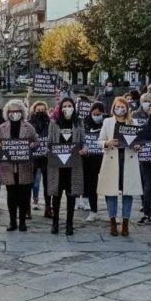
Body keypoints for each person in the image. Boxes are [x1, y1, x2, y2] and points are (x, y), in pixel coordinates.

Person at [97, 96, 142, 236]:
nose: (120, 109)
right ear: (113, 108)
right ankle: (112, 221)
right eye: (117, 107)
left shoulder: (133, 121)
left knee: (127, 193)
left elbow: (139, 141)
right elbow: (100, 140)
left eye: (123, 107)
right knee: (112, 192)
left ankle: (125, 223)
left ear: (127, 108)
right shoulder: (108, 122)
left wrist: (137, 145)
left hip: (128, 160)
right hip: (112, 159)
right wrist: (107, 143)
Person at [0, 100, 39, 232]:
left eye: (17, 111)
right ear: (7, 113)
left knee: (24, 195)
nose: (14, 114)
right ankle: (12, 221)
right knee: (11, 194)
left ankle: (22, 221)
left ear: (22, 112)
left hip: (25, 165)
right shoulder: (2, 128)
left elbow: (36, 141)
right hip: (8, 166)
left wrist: (32, 145)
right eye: (12, 112)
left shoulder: (28, 127)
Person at [47, 97, 85, 236]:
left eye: (70, 105)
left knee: (71, 195)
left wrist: (84, 149)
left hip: (73, 165)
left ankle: (69, 224)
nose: (67, 108)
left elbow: (83, 142)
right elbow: (49, 143)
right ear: (61, 108)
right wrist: (50, 151)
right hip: (58, 166)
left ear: (74, 107)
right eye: (65, 106)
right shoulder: (54, 123)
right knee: (56, 195)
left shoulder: (79, 123)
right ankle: (55, 223)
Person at [81, 102, 106, 222]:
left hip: (105, 157)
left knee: (108, 185)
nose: (96, 116)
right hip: (90, 159)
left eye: (99, 114)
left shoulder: (108, 122)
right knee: (91, 185)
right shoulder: (84, 124)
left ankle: (112, 211)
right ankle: (93, 210)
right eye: (94, 114)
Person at [28, 101, 52, 218]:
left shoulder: (51, 123)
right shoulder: (28, 124)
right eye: (38, 110)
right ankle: (27, 208)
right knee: (30, 182)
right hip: (33, 157)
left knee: (48, 183)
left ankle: (48, 207)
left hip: (46, 157)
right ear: (34, 110)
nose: (40, 112)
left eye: (43, 110)